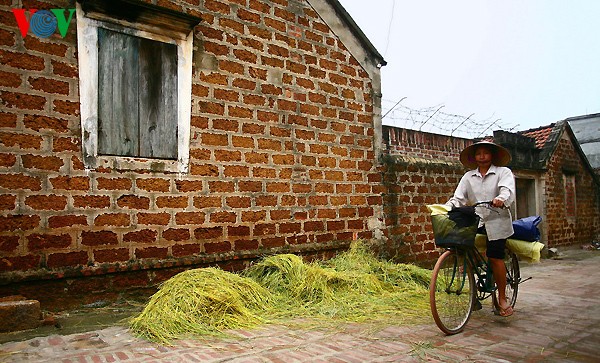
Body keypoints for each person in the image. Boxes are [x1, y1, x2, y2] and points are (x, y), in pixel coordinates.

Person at [445, 140, 516, 317]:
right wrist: (447, 207)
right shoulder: (468, 177)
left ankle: (501, 298)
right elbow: (458, 198)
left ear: (492, 155)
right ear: (474, 157)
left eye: (486, 153)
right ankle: (473, 292)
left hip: (497, 221)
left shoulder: (503, 172)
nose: (482, 156)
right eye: (478, 153)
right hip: (477, 220)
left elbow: (507, 190)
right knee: (464, 248)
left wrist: (501, 199)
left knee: (494, 257)